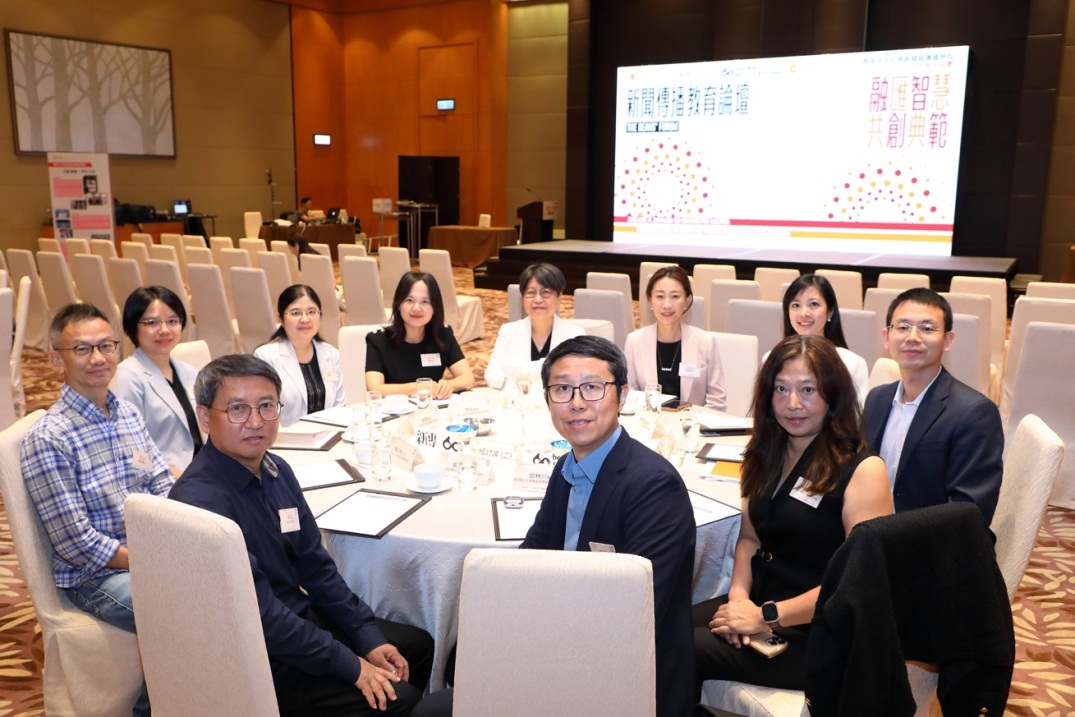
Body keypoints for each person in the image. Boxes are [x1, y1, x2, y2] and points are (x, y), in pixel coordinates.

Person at [169, 354, 436, 717]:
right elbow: (259, 617)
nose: (255, 422)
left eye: (266, 406)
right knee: (399, 700)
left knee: (415, 647)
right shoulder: (202, 504)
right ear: (204, 417)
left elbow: (316, 567)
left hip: (295, 618)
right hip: (257, 653)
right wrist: (352, 665)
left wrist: (365, 635)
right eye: (237, 409)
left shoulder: (277, 470)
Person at [692, 334, 891, 697]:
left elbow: (859, 582)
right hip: (759, 602)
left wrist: (765, 617)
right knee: (661, 628)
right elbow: (750, 539)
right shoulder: (764, 452)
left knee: (683, 650)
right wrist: (738, 599)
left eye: (808, 390)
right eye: (781, 389)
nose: (793, 403)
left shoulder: (863, 470)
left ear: (833, 394)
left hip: (821, 630)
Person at [21, 304, 173, 717]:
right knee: (181, 610)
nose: (98, 358)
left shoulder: (127, 413)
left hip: (146, 553)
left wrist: (181, 540)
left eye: (106, 346)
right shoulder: (50, 439)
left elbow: (162, 484)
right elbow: (78, 544)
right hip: (95, 577)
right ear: (57, 359)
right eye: (82, 349)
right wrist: (151, 558)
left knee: (234, 584)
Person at [863, 287, 1004, 524]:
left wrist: (889, 533)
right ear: (886, 337)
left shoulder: (974, 412)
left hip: (930, 539)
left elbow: (970, 511)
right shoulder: (877, 399)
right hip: (870, 528)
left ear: (947, 340)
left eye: (927, 329)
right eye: (903, 327)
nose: (912, 337)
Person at [111, 286, 203, 473]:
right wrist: (168, 472)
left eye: (172, 321)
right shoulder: (126, 378)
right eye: (152, 323)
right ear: (133, 326)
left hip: (204, 469)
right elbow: (126, 451)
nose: (164, 330)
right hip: (165, 479)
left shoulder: (190, 372)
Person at [624, 265, 727, 410]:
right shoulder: (635, 341)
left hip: (693, 423)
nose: (667, 305)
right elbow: (631, 396)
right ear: (650, 300)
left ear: (687, 300)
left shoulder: (705, 342)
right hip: (650, 422)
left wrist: (692, 422)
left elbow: (717, 401)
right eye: (660, 296)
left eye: (675, 296)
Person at [365, 271, 474, 399]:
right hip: (394, 409)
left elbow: (468, 378)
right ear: (398, 305)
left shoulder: (442, 335)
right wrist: (419, 387)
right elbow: (375, 388)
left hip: (431, 409)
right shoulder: (378, 340)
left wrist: (450, 385)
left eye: (425, 301)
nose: (417, 308)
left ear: (434, 308)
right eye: (409, 300)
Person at [254, 284, 346, 427]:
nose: (305, 319)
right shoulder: (266, 356)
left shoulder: (331, 354)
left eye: (311, 312)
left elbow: (340, 405)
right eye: (295, 313)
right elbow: (263, 410)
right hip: (286, 437)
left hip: (329, 435)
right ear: (281, 319)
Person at [483, 262, 584, 389]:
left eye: (545, 292)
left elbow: (574, 379)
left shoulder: (575, 335)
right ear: (522, 298)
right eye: (531, 293)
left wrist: (519, 373)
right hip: (518, 400)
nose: (538, 299)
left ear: (559, 298)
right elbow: (491, 376)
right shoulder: (508, 331)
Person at [779, 273, 868, 406]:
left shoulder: (852, 364)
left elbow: (857, 415)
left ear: (830, 312)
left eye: (813, 304)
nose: (804, 313)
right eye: (796, 305)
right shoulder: (772, 360)